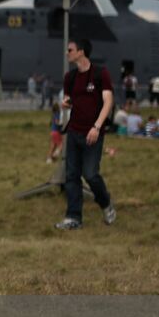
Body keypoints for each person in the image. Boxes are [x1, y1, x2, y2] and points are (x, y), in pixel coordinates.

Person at [55, 38, 116, 230]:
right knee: (72, 176)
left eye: (70, 50)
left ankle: (106, 203)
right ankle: (73, 217)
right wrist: (65, 104)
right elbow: (69, 100)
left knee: (90, 174)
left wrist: (97, 127)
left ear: (81, 52)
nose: (67, 53)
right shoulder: (70, 77)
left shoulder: (100, 73)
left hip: (93, 133)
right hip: (73, 132)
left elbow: (108, 101)